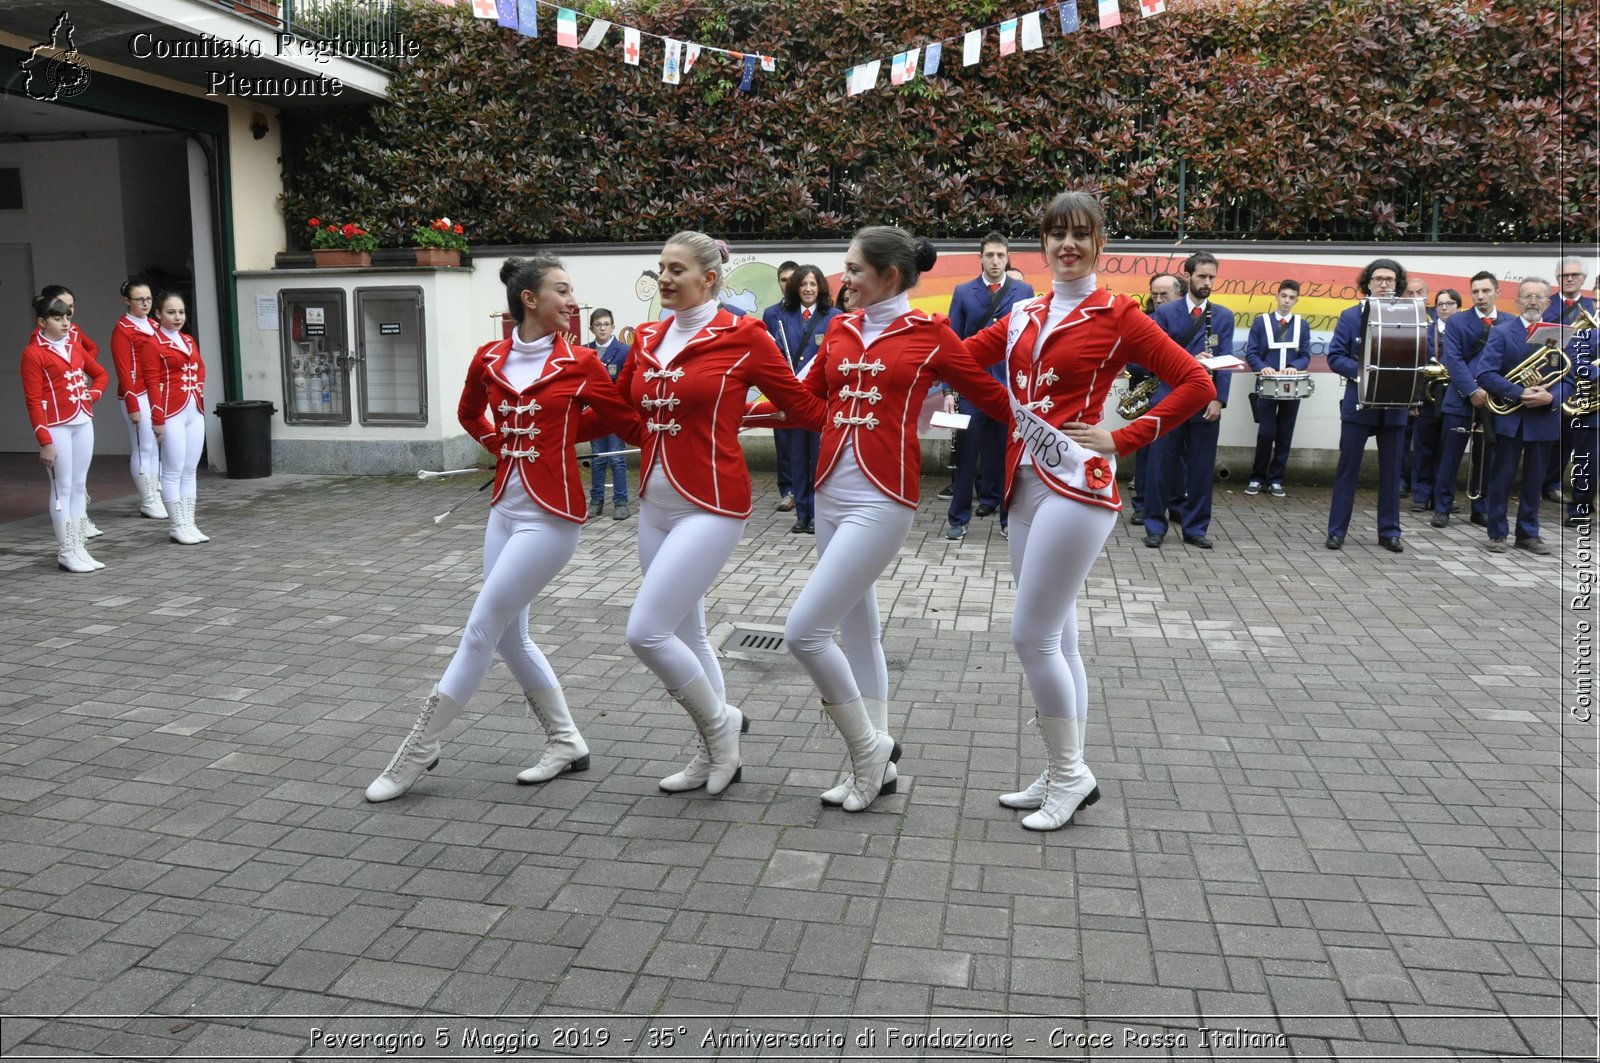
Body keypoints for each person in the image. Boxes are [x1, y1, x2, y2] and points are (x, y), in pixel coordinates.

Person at [963, 191, 1213, 830]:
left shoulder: (1120, 313)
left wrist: (1124, 436)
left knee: (1031, 635)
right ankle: (1062, 763)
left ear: (1099, 245)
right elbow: (962, 360)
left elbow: (1195, 384)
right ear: (1041, 246)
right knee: (1059, 636)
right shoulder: (1022, 313)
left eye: (1080, 235)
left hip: (1077, 486)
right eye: (1056, 235)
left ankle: (1071, 776)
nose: (1067, 245)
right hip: (1022, 484)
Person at [366, 256, 644, 802]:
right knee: (511, 637)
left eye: (573, 291)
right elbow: (471, 414)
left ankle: (419, 748)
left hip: (552, 518)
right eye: (562, 291)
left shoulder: (582, 361)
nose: (573, 302)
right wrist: (502, 444)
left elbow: (622, 420)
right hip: (505, 510)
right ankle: (566, 742)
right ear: (529, 300)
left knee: (481, 627)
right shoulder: (489, 358)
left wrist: (704, 417)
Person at [768, 228, 1013, 812]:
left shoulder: (930, 334)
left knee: (804, 632)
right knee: (857, 633)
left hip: (883, 499)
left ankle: (869, 749)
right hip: (829, 493)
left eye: (853, 269)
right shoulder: (840, 328)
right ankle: (872, 766)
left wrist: (1062, 437)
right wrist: (733, 408)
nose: (842, 280)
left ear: (889, 276)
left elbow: (990, 395)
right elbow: (806, 400)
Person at [619, 231, 826, 796]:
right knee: (691, 634)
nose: (663, 278)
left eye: (676, 270)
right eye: (660, 267)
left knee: (646, 632)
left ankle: (722, 725)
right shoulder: (648, 336)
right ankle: (714, 752)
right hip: (654, 505)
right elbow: (623, 407)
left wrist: (873, 416)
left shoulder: (744, 335)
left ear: (709, 279)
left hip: (710, 504)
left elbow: (800, 404)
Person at [943, 232, 1035, 541]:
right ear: (980, 258)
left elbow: (1029, 343)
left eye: (1000, 255)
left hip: (1011, 390)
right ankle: (958, 518)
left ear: (1008, 258)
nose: (995, 260)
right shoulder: (963, 292)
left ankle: (1010, 520)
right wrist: (948, 392)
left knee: (1009, 459)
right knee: (966, 459)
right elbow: (952, 346)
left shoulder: (1024, 290)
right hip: (973, 389)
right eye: (990, 255)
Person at [1143, 252, 1233, 549]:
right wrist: (1191, 360)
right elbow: (1154, 358)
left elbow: (1226, 361)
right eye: (1202, 276)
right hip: (1170, 399)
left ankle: (1195, 528)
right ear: (1188, 276)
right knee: (1160, 466)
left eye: (1211, 277)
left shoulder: (1223, 316)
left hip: (1204, 403)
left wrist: (1219, 400)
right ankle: (1155, 525)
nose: (1207, 282)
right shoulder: (1166, 313)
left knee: (1201, 468)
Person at [1324, 259, 1412, 551]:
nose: (1384, 284)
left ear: (1398, 284)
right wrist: (1365, 373)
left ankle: (1390, 532)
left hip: (1394, 405)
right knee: (1347, 469)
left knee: (1391, 471)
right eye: (1378, 279)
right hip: (1359, 403)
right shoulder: (1350, 316)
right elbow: (1335, 356)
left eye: (1389, 279)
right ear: (1368, 283)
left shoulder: (1409, 315)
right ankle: (1337, 531)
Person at [22, 292, 108, 572]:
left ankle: (80, 548)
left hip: (82, 421)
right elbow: (33, 400)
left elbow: (101, 374)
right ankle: (66, 551)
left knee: (79, 486)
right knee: (63, 488)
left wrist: (92, 394)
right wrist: (44, 441)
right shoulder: (33, 353)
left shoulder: (74, 345)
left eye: (67, 317)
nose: (65, 323)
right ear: (41, 321)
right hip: (56, 426)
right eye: (57, 318)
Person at [1477, 277, 1564, 554]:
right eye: (1527, 296)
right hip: (1511, 417)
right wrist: (1519, 393)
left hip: (1544, 418)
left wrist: (1552, 397)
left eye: (1540, 296)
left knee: (1535, 479)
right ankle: (1497, 533)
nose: (1533, 301)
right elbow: (1485, 373)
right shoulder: (1502, 332)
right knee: (1501, 477)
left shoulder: (1560, 334)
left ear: (1548, 303)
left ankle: (1528, 534)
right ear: (1516, 301)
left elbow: (1571, 377)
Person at [1432, 271, 1517, 530]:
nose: (1481, 296)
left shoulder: (1511, 322)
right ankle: (1442, 508)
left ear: (1497, 292)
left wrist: (1495, 390)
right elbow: (1453, 360)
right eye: (1476, 292)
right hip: (1460, 399)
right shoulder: (1458, 321)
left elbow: (1512, 361)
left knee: (1486, 457)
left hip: (1494, 402)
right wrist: (1472, 390)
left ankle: (1480, 508)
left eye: (1486, 291)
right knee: (1450, 456)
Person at [767, 264, 840, 534]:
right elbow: (772, 354)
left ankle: (819, 515)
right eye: (803, 284)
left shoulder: (834, 316)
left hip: (820, 399)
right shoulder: (780, 316)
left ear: (820, 286)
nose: (808, 289)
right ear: (796, 288)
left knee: (820, 458)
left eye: (812, 284)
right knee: (796, 457)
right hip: (793, 397)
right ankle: (803, 512)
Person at [138, 291, 210, 546]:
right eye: (171, 312)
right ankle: (177, 525)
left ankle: (189, 523)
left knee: (189, 470)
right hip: (170, 412)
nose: (177, 317)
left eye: (181, 312)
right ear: (157, 314)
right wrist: (157, 418)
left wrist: (199, 386)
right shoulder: (152, 344)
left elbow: (200, 367)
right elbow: (151, 383)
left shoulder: (188, 340)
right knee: (171, 471)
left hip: (194, 409)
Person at [1242, 279, 1310, 497]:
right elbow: (1251, 352)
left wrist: (1294, 366)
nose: (1286, 301)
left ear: (1296, 300)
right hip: (1267, 383)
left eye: (1291, 298)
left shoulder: (1302, 324)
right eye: (1284, 296)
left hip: (1292, 385)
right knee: (1266, 432)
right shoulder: (1261, 322)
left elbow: (1306, 355)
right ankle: (1256, 477)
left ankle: (1276, 479)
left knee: (1285, 434)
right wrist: (1263, 368)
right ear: (1277, 296)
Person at [1127, 272, 1185, 524]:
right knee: (1146, 453)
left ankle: (1177, 504)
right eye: (1155, 294)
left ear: (1179, 295)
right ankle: (1142, 504)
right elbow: (1131, 362)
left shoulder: (1188, 323)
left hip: (1179, 395)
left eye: (1165, 294)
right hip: (1149, 394)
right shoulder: (1142, 322)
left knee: (1179, 454)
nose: (1159, 299)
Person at [110, 278, 167, 520]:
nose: (145, 303)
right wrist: (132, 404)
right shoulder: (122, 330)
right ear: (127, 301)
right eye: (139, 299)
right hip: (137, 393)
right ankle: (148, 499)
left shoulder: (154, 325)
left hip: (156, 391)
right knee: (143, 446)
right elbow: (123, 372)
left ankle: (157, 492)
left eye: (148, 299)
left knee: (156, 445)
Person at [1543, 256, 1596, 506]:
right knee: (1548, 434)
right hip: (1553, 377)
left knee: (1570, 436)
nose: (1570, 278)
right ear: (1558, 279)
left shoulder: (1592, 305)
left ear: (1583, 279)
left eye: (1575, 275)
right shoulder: (1546, 303)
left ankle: (1555, 484)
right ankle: (1541, 481)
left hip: (1584, 381)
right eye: (1565, 275)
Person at [1411, 288, 1461, 513]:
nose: (1444, 308)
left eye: (1450, 303)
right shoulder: (1424, 331)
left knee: (1448, 450)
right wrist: (1413, 400)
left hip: (1455, 397)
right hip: (1427, 397)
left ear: (1458, 307)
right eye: (1440, 304)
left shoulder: (1463, 331)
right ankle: (1421, 495)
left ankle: (1443, 497)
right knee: (1424, 447)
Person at [585, 307, 632, 521]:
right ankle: (596, 501)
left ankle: (621, 502)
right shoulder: (585, 352)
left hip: (614, 413)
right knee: (597, 459)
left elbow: (628, 382)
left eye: (606, 324)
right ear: (591, 328)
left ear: (613, 327)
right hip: (594, 413)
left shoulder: (624, 351)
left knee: (616, 458)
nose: (602, 328)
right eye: (598, 325)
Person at [762, 261, 801, 511]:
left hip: (807, 386)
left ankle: (806, 489)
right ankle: (787, 490)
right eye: (783, 280)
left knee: (808, 442)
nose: (788, 284)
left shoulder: (812, 312)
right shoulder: (770, 313)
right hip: (782, 387)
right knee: (784, 441)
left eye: (792, 279)